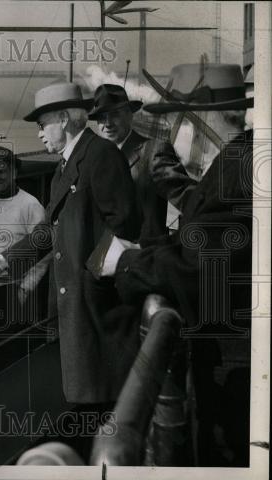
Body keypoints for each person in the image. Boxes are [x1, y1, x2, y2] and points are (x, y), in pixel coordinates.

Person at [104, 63, 253, 466]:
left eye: (175, 118)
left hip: (236, 373)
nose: (170, 132)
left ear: (200, 116)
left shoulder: (238, 168)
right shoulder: (242, 161)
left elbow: (200, 271)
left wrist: (127, 262)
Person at [0, 81, 141, 460]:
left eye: (43, 124)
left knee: (101, 407)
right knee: (84, 405)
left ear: (66, 119)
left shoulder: (100, 156)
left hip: (98, 313)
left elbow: (126, 227)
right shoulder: (65, 168)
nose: (39, 133)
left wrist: (89, 277)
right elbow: (47, 233)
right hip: (75, 312)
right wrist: (7, 259)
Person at [88, 83, 197, 240]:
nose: (107, 123)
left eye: (115, 114)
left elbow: (191, 199)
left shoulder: (153, 152)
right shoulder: (95, 159)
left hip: (143, 257)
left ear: (129, 115)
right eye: (102, 117)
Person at [0, 146, 46, 371]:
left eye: (1, 171)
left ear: (14, 171)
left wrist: (25, 288)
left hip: (18, 295)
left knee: (15, 361)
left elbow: (45, 254)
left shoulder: (31, 205)